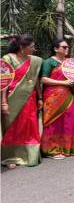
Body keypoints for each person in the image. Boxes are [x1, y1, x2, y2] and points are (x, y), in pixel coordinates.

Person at [1, 35, 43, 169]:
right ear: (21, 47)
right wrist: (3, 103)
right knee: (12, 127)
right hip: (12, 98)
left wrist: (40, 98)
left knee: (29, 126)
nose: (34, 49)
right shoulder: (7, 59)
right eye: (31, 47)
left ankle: (30, 155)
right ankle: (9, 157)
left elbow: (35, 80)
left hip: (30, 99)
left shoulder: (34, 61)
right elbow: (3, 82)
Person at [40, 40, 74, 159]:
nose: (67, 49)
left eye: (68, 47)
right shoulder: (48, 62)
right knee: (53, 122)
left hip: (68, 96)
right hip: (53, 97)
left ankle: (67, 147)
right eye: (64, 47)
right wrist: (63, 82)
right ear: (56, 49)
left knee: (67, 121)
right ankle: (51, 150)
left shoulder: (69, 63)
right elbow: (43, 79)